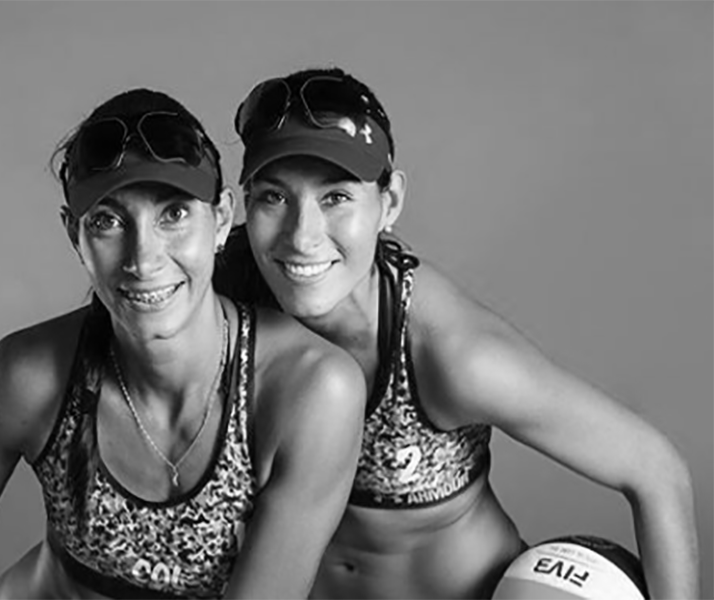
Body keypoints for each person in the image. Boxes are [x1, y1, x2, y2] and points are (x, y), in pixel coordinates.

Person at [214, 67, 699, 600]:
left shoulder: (451, 353)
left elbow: (656, 470)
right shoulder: (227, 295)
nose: (302, 236)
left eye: (336, 198)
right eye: (274, 198)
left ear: (389, 203)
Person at [0, 88, 366, 600]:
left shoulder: (310, 389)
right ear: (74, 235)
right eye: (107, 221)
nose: (143, 260)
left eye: (174, 214)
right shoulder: (30, 376)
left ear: (220, 219)